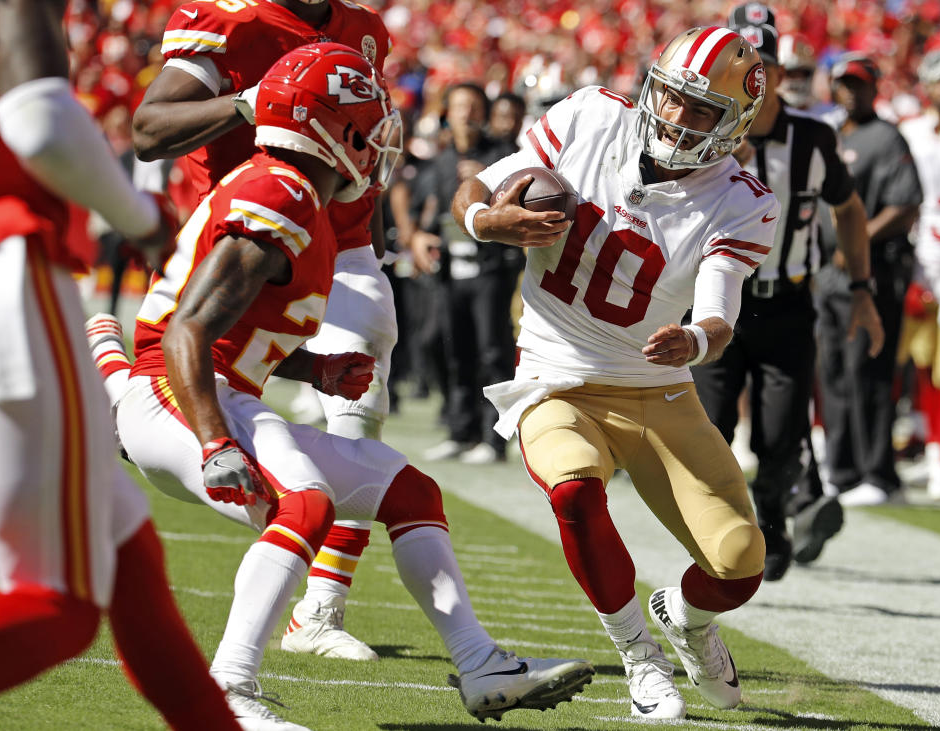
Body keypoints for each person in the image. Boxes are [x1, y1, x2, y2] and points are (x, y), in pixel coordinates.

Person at [116, 42, 594, 728]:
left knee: (407, 489)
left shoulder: (296, 194)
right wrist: (217, 441)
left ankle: (481, 661)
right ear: (331, 131)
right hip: (179, 392)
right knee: (306, 501)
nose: (375, 150)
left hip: (217, 387)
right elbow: (186, 333)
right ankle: (227, 689)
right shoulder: (279, 188)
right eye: (366, 133)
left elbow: (231, 334)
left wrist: (319, 370)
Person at [453, 26, 775, 720]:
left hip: (656, 387)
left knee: (742, 560)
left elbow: (719, 314)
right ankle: (639, 656)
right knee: (572, 487)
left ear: (734, 124)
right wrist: (486, 220)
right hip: (555, 374)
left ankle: (683, 618)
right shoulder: (592, 116)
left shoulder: (741, 198)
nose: (676, 117)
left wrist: (693, 337)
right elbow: (476, 187)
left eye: (701, 110)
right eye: (672, 96)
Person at [0, 0, 241, 728]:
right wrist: (143, 219)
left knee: (124, 542)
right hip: (3, 267)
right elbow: (39, 121)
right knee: (59, 604)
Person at [130, 0, 398, 661]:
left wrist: (378, 242)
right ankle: (145, 407)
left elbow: (366, 141)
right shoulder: (230, 19)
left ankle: (321, 608)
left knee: (362, 404)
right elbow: (148, 129)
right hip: (256, 231)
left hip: (346, 237)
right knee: (220, 367)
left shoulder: (364, 30)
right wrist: (250, 101)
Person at [691, 6, 882, 582]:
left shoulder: (814, 138)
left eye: (759, 63)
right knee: (710, 430)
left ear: (776, 72)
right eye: (736, 63)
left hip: (789, 304)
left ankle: (771, 521)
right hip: (715, 303)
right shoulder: (700, 131)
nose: (748, 75)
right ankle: (715, 537)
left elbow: (848, 209)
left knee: (781, 435)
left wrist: (862, 288)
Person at [816, 54, 923, 507]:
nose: (850, 92)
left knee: (870, 372)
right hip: (827, 275)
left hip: (873, 274)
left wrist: (858, 240)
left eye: (858, 84)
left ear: (875, 87)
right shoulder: (831, 134)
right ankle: (841, 471)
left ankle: (878, 473)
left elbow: (904, 206)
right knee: (834, 371)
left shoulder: (887, 137)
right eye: (843, 83)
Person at [411, 82, 520, 464]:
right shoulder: (440, 160)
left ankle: (494, 439)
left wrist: (492, 179)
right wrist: (420, 238)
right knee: (454, 350)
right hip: (449, 270)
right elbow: (423, 211)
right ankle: (461, 430)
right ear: (447, 112)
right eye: (459, 106)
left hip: (491, 268)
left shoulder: (504, 155)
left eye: (474, 106)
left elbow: (527, 194)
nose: (466, 114)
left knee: (493, 351)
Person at [898, 49, 940, 500]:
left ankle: (934, 450)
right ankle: (923, 444)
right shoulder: (912, 131)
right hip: (921, 255)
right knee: (918, 361)